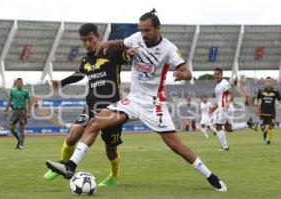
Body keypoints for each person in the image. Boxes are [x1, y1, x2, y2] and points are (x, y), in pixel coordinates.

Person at [46, 10, 227, 192]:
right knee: (94, 123)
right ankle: (70, 166)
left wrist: (183, 75)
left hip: (153, 104)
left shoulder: (169, 48)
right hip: (132, 100)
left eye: (147, 30)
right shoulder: (136, 38)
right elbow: (119, 44)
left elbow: (186, 71)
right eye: (141, 30)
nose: (144, 34)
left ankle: (210, 176)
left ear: (157, 28)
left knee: (175, 146)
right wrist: (105, 44)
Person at [43, 23, 134, 187]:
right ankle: (62, 166)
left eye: (90, 39)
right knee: (72, 137)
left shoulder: (111, 51)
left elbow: (126, 56)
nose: (87, 43)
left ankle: (114, 175)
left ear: (97, 36)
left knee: (111, 151)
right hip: (91, 107)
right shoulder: (86, 59)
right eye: (83, 40)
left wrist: (128, 53)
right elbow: (79, 74)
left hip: (112, 110)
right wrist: (61, 83)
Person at [4, 78, 31, 149]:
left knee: (22, 128)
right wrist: (6, 110)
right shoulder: (12, 91)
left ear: (22, 83)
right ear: (16, 83)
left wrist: (28, 112)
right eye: (18, 83)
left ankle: (21, 145)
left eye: (21, 83)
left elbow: (29, 102)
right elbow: (9, 101)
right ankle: (19, 139)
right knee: (11, 128)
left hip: (22, 111)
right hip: (14, 111)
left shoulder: (26, 91)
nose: (20, 84)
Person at [212, 68, 234, 151]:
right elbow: (220, 99)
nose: (216, 76)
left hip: (226, 108)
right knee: (228, 128)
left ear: (222, 74)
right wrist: (215, 106)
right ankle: (247, 124)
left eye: (218, 74)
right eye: (215, 74)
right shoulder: (218, 85)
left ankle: (225, 147)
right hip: (223, 108)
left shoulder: (224, 83)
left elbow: (232, 94)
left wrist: (227, 104)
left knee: (218, 126)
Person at [256, 77, 281, 145]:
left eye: (269, 81)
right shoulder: (261, 90)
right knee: (262, 128)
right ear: (265, 82)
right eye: (267, 81)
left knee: (271, 126)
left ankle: (269, 140)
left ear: (272, 82)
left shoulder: (276, 91)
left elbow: (279, 100)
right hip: (263, 112)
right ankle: (265, 132)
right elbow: (257, 99)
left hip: (272, 112)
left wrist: (280, 106)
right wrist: (257, 106)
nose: (268, 83)